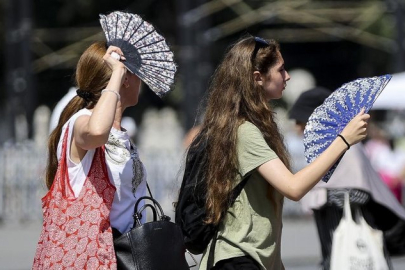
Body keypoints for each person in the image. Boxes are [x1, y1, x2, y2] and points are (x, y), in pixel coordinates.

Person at [190, 35, 370, 270]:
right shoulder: (244, 131)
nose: (288, 76)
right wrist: (343, 140)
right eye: (281, 69)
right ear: (258, 78)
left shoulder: (254, 127)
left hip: (254, 259)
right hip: (238, 258)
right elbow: (293, 188)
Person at [33, 42, 147, 268]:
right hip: (89, 258)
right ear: (124, 78)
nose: (141, 81)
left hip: (122, 256)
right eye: (137, 74)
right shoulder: (81, 121)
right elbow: (97, 132)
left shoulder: (123, 136)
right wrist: (117, 73)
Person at [289, 86, 405, 270]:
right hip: (336, 247)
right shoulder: (329, 147)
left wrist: (326, 195)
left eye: (300, 121)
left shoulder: (344, 145)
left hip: (355, 247)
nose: (297, 128)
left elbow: (361, 193)